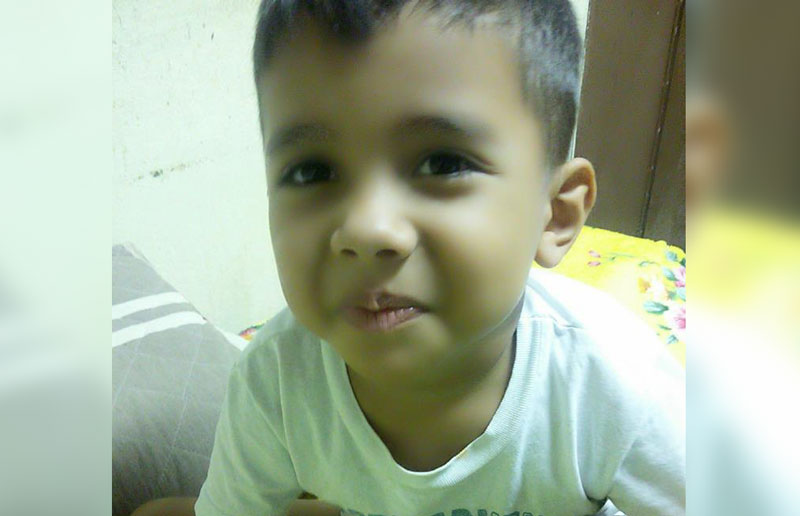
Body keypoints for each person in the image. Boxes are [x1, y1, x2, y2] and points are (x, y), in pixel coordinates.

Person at [138, 1, 685, 514]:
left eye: (443, 164)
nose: (367, 228)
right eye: (311, 171)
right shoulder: (278, 380)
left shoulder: (613, 384)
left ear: (556, 214)